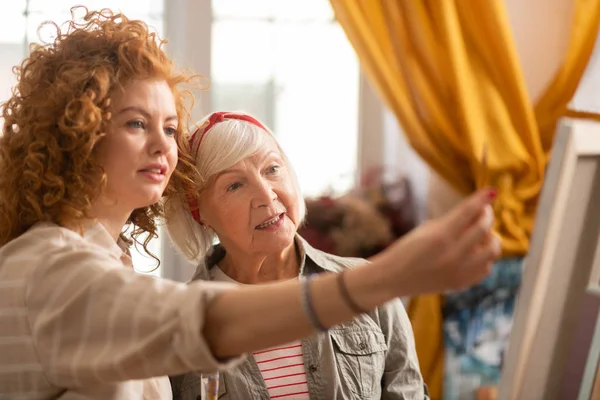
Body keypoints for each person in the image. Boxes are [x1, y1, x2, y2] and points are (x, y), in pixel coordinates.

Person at [0, 7, 501, 399]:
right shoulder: (54, 268)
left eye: (170, 129)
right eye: (136, 123)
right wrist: (388, 276)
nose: (162, 146)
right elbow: (205, 323)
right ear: (76, 134)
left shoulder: (110, 263)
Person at [164, 111, 428, 399]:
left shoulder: (369, 287)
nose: (267, 196)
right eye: (234, 185)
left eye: (272, 169)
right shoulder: (177, 325)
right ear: (200, 213)